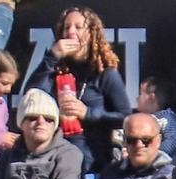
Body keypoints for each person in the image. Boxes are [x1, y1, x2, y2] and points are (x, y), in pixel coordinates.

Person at [28, 8, 127, 169]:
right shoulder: (55, 69)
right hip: (52, 161)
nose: (71, 32)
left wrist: (88, 113)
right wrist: (52, 57)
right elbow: (32, 97)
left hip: (91, 164)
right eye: (66, 28)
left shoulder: (105, 73)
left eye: (78, 27)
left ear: (91, 34)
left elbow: (125, 117)